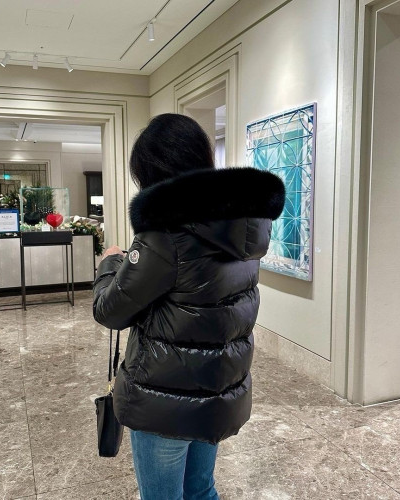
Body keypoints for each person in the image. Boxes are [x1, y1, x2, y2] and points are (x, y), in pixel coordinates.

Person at [93, 113, 285, 500]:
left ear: (153, 172)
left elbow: (110, 311)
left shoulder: (164, 236)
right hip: (216, 391)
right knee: (201, 491)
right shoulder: (244, 227)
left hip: (164, 401)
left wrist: (112, 261)